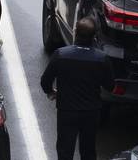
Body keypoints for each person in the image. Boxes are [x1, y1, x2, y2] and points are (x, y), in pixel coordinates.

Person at [41, 18, 114, 160]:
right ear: (94, 37)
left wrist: (51, 92)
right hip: (91, 113)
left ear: (75, 32)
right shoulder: (102, 58)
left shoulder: (61, 54)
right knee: (88, 151)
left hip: (67, 111)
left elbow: (45, 81)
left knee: (64, 151)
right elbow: (110, 86)